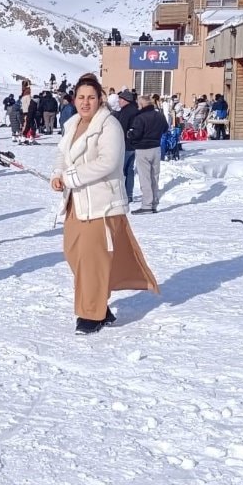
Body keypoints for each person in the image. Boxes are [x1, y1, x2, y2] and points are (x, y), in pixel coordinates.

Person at [51, 73, 159, 334]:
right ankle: (100, 304)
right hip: (76, 203)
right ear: (74, 99)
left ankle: (91, 315)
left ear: (100, 99)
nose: (85, 102)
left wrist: (71, 177)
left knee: (92, 259)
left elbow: (108, 162)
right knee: (74, 254)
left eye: (91, 97)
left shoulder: (108, 125)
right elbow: (62, 156)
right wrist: (57, 175)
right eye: (80, 97)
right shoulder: (72, 124)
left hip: (101, 203)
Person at [128, 95, 168, 215]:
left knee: (145, 178)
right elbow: (165, 129)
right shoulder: (160, 115)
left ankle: (146, 205)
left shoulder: (140, 117)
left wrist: (129, 134)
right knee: (154, 177)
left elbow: (136, 133)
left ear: (141, 105)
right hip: (156, 148)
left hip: (143, 149)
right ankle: (154, 203)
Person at [113, 91, 140, 203]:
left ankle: (121, 194)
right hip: (134, 145)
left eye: (120, 99)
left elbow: (121, 129)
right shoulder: (136, 110)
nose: (118, 101)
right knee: (130, 170)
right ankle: (129, 194)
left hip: (125, 145)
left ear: (125, 100)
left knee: (120, 171)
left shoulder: (126, 112)